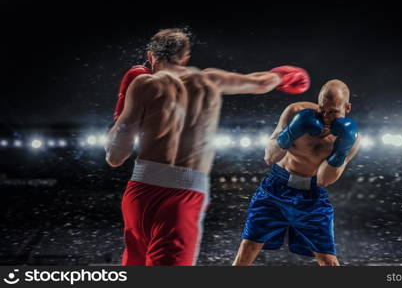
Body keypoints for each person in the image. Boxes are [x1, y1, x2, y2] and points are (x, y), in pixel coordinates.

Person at [105, 28, 310, 266]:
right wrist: (283, 76)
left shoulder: (143, 85)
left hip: (140, 191)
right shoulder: (209, 80)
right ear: (185, 57)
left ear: (150, 56)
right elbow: (261, 82)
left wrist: (120, 112)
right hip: (184, 192)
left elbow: (115, 156)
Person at [233, 79, 362, 266]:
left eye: (332, 112)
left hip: (311, 196)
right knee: (248, 247)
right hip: (275, 188)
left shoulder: (353, 139)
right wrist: (292, 132)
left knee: (328, 260)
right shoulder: (296, 111)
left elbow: (324, 179)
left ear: (347, 108)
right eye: (322, 110)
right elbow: (269, 157)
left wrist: (340, 150)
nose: (325, 116)